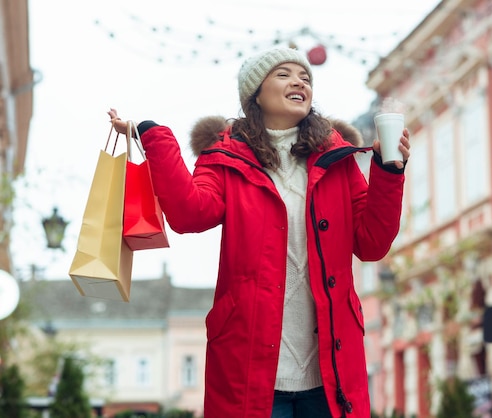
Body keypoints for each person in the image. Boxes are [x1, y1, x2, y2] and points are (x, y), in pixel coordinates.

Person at [108, 46, 410, 418]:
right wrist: (154, 136)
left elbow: (372, 243)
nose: (299, 81)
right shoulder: (225, 156)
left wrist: (388, 170)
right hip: (251, 370)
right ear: (256, 93)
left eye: (305, 78)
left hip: (331, 372)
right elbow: (190, 214)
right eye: (284, 74)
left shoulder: (338, 159)